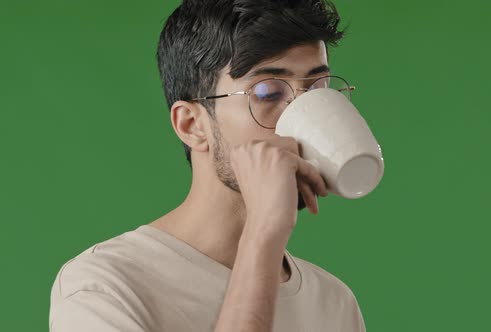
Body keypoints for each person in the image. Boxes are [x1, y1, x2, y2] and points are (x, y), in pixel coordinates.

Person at [49, 0, 366, 331]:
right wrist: (263, 233)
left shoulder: (334, 301)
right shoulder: (104, 287)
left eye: (318, 89)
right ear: (191, 125)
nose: (304, 117)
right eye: (269, 92)